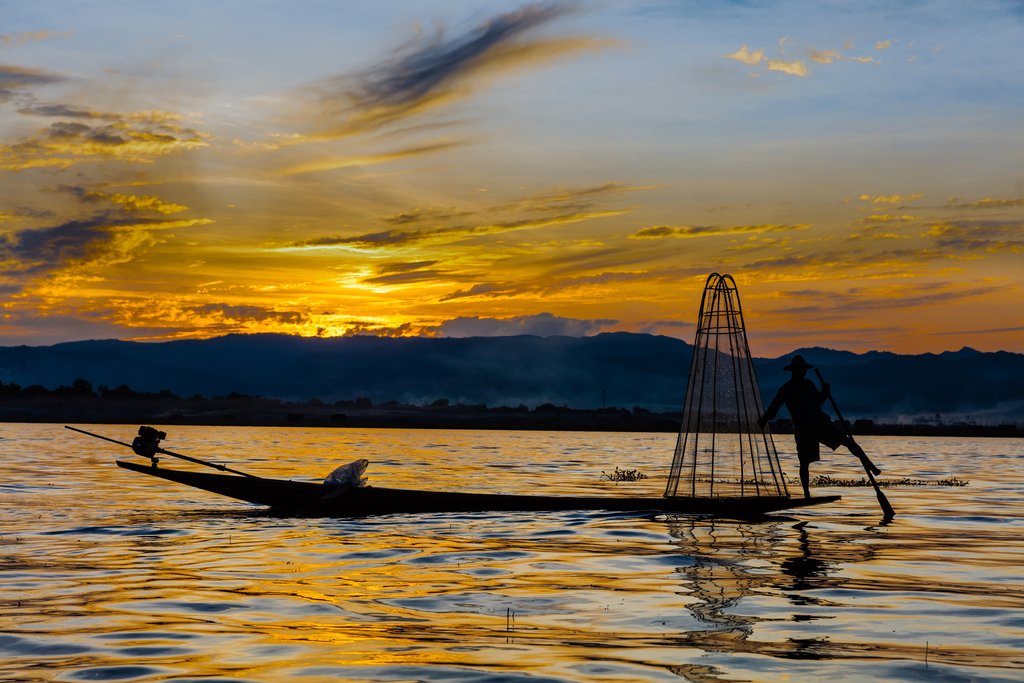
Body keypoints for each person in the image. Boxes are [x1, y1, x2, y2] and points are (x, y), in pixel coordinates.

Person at [757, 355, 879, 499]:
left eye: (803, 370)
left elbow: (817, 402)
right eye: (798, 370)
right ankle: (806, 493)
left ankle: (870, 465)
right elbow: (773, 409)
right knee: (804, 462)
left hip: (821, 423)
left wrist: (825, 392)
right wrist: (763, 419)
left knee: (847, 442)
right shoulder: (786, 389)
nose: (801, 372)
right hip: (804, 429)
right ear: (793, 371)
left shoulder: (808, 384)